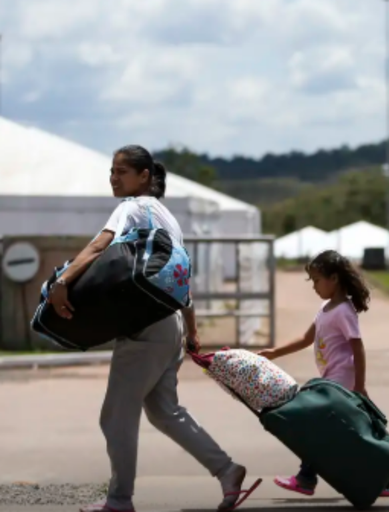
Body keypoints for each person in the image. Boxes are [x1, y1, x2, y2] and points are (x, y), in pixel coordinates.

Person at [47, 145, 259, 512]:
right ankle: (227, 470)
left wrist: (62, 281)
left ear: (144, 177)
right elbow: (179, 278)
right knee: (163, 411)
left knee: (115, 415)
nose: (114, 179)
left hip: (145, 327)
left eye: (121, 172)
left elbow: (100, 246)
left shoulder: (132, 207)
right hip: (169, 323)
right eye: (111, 172)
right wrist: (190, 330)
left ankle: (119, 500)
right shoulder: (168, 218)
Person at [258, 250, 389, 498]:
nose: (314, 286)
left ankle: (306, 478)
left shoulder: (344, 311)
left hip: (341, 383)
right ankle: (385, 479)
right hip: (331, 381)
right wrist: (274, 352)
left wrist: (360, 386)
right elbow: (306, 338)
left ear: (333, 278)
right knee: (346, 434)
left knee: (316, 427)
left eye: (316, 280)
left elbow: (358, 347)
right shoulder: (325, 308)